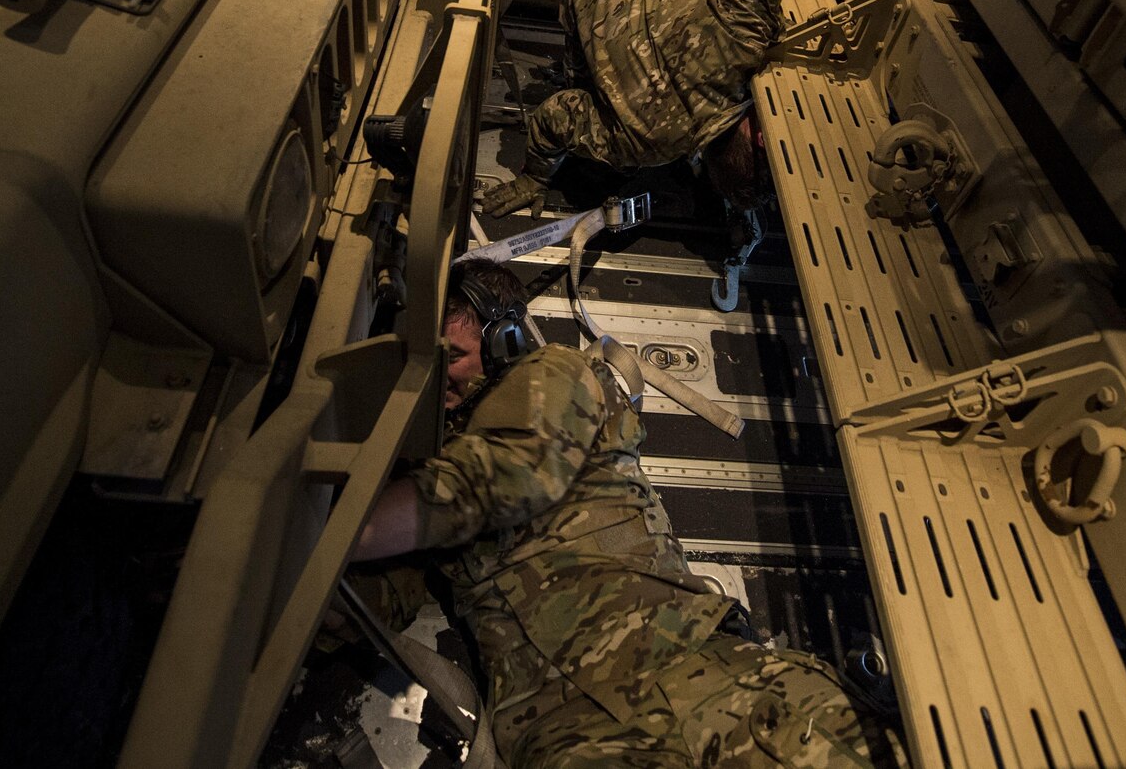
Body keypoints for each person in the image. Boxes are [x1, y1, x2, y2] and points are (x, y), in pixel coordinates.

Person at [342, 262, 900, 768]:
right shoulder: (425, 474)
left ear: (504, 339)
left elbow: (510, 473)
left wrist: (339, 531)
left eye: (453, 358)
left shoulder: (553, 375)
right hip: (562, 734)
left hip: (693, 675)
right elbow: (381, 595)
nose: (439, 385)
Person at [478, 0, 794, 218]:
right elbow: (554, 116)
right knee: (605, 131)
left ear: (760, 138)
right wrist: (535, 177)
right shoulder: (648, 147)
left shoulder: (746, 38)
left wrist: (767, 12)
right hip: (585, 1)